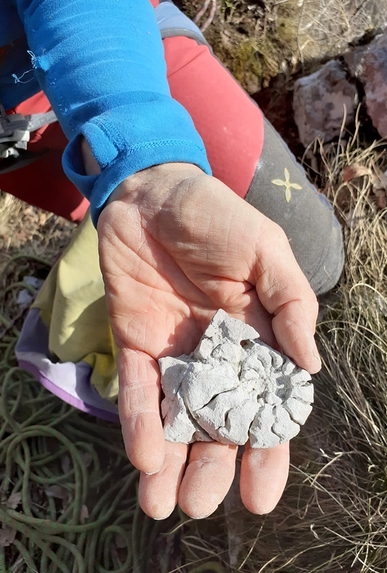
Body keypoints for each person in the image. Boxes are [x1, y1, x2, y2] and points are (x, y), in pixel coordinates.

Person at [2, 0, 344, 519]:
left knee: (311, 250)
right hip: (12, 138)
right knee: (92, 218)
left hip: (111, 38)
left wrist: (146, 168)